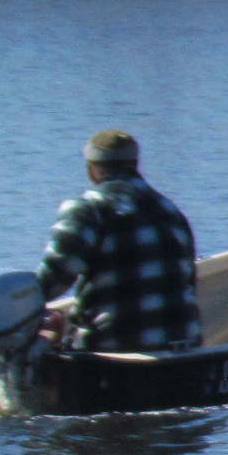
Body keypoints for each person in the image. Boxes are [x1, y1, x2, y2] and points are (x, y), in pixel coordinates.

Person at [38, 129, 201, 353]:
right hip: (182, 350)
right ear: (135, 163)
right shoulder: (170, 211)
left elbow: (51, 281)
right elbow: (189, 284)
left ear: (91, 170)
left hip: (113, 353)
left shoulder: (88, 209)